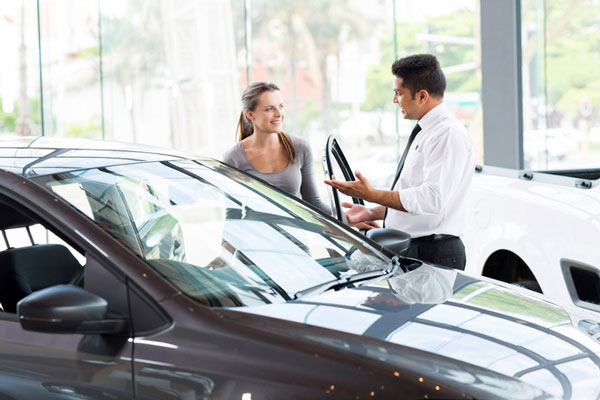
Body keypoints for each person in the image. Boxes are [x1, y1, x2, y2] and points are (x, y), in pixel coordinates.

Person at [324, 54, 475, 270]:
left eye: (399, 93)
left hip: (432, 252)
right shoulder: (427, 131)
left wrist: (371, 193)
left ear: (422, 96)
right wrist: (373, 211)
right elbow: (413, 198)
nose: (395, 100)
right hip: (414, 248)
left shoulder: (447, 134)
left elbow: (432, 199)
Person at [223, 82, 331, 214]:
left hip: (297, 234)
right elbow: (233, 213)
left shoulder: (300, 148)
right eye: (269, 109)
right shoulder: (233, 158)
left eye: (281, 106)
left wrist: (345, 218)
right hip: (257, 234)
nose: (279, 113)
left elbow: (313, 203)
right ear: (250, 114)